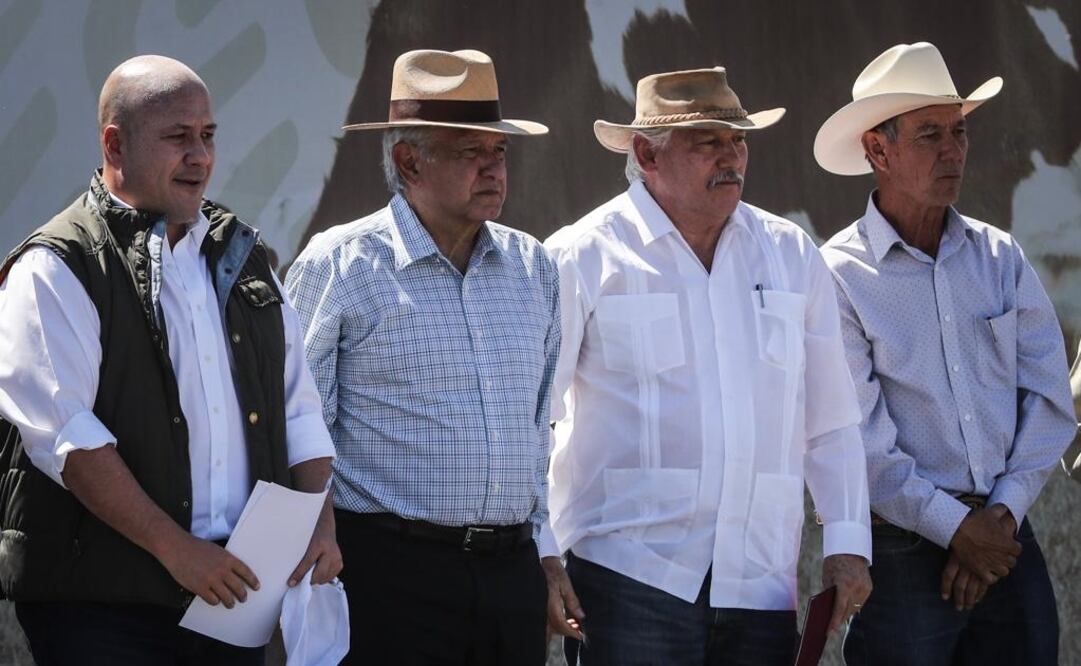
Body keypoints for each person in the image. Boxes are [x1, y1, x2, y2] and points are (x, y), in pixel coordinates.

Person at [0, 55, 340, 664]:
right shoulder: (58, 265)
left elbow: (300, 408)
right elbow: (69, 441)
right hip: (103, 611)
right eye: (178, 138)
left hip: (232, 600)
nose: (201, 157)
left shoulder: (244, 255)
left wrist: (319, 521)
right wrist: (178, 551)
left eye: (208, 136)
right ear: (116, 144)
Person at [542, 65, 872, 666]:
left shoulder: (790, 252)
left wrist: (848, 541)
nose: (733, 158)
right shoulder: (582, 255)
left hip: (761, 577)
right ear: (646, 154)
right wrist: (540, 550)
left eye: (738, 140)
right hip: (628, 578)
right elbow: (532, 418)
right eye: (708, 143)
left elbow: (831, 420)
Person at [285, 49, 576, 666]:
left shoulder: (533, 268)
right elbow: (295, 422)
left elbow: (538, 428)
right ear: (408, 161)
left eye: (499, 152)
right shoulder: (340, 265)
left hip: (510, 575)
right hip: (388, 574)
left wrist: (545, 553)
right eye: (471, 152)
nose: (494, 169)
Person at [815, 42, 1076, 665]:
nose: (953, 150)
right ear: (877, 149)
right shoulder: (837, 275)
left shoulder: (1000, 256)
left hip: (1006, 534)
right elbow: (858, 441)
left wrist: (1001, 519)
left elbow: (1049, 399)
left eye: (958, 131)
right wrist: (961, 531)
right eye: (930, 133)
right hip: (906, 555)